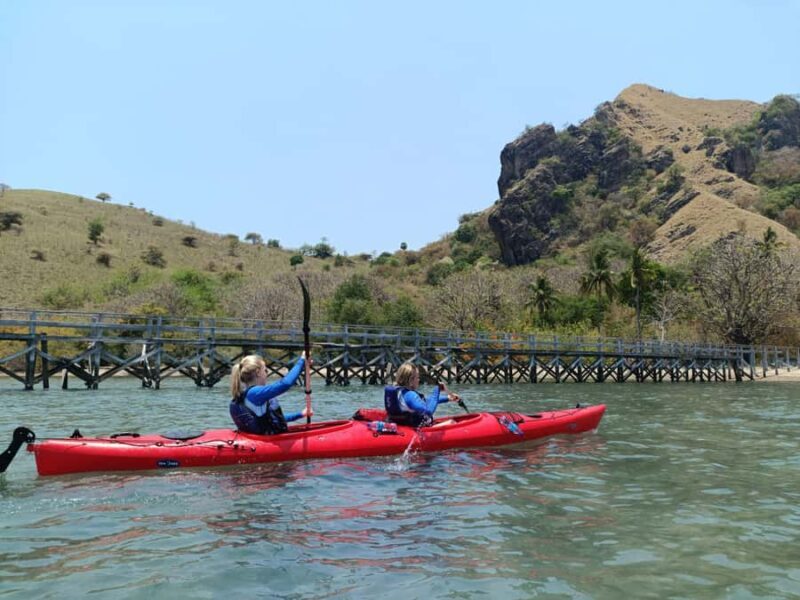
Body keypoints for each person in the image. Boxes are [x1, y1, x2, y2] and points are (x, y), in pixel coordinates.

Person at [229, 353, 313, 435]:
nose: (267, 374)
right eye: (265, 370)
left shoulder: (245, 394)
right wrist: (302, 360)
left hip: (255, 437)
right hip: (266, 440)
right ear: (258, 372)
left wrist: (301, 414)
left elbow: (275, 419)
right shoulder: (255, 393)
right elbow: (285, 384)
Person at [384, 363, 461, 428]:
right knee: (452, 423)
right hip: (417, 429)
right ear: (411, 380)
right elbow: (428, 411)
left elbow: (423, 402)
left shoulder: (399, 392)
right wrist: (437, 390)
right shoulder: (410, 395)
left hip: (402, 426)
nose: (419, 380)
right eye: (417, 377)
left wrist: (447, 398)